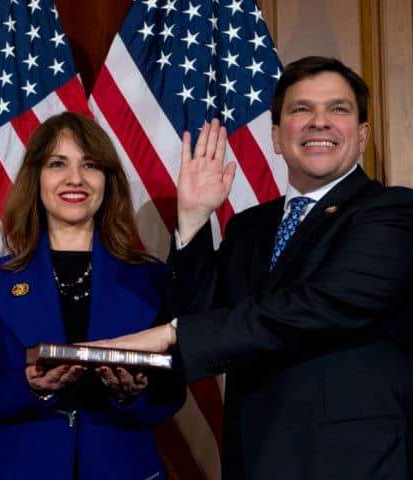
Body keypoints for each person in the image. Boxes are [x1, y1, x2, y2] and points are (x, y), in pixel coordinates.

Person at [96, 56, 413, 479]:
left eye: (338, 109)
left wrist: (170, 334)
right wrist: (192, 220)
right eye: (301, 109)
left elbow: (316, 306)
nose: (320, 122)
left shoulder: (391, 212)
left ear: (362, 135)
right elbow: (206, 318)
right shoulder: (249, 227)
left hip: (353, 463)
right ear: (278, 138)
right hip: (254, 459)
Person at [0, 112, 185, 480]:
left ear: (107, 181)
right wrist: (27, 385)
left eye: (90, 165)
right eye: (57, 163)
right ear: (36, 179)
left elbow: (172, 394)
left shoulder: (150, 278)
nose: (75, 179)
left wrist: (132, 395)